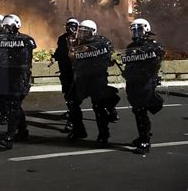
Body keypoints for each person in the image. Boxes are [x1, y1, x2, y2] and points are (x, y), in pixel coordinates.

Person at [67, 20, 120, 147]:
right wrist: (72, 50)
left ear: (93, 32)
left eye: (86, 32)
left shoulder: (102, 42)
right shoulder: (77, 44)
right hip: (82, 79)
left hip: (97, 79)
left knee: (98, 106)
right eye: (81, 32)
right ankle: (79, 130)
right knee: (72, 101)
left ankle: (103, 135)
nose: (82, 35)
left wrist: (89, 49)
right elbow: (73, 59)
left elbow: (108, 54)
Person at [0, 14, 36, 149]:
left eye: (9, 27)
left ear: (16, 26)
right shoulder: (1, 41)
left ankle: (9, 136)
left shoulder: (25, 40)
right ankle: (23, 131)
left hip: (19, 78)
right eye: (5, 27)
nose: (6, 30)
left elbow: (24, 59)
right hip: (6, 76)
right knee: (14, 106)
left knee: (13, 106)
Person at [121, 18, 165, 154]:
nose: (136, 34)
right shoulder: (131, 47)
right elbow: (129, 65)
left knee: (141, 111)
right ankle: (142, 136)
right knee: (137, 111)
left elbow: (154, 64)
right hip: (133, 82)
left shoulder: (153, 46)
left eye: (138, 30)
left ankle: (145, 141)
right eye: (134, 31)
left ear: (146, 29)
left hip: (145, 82)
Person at [53, 17, 79, 132]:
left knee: (73, 97)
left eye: (73, 26)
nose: (70, 29)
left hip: (77, 72)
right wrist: (55, 56)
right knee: (68, 94)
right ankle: (71, 113)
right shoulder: (62, 38)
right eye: (68, 26)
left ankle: (72, 122)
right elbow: (59, 51)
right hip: (65, 71)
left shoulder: (80, 39)